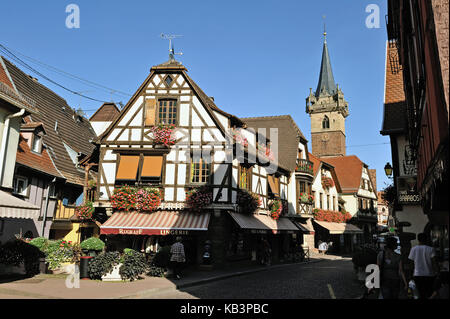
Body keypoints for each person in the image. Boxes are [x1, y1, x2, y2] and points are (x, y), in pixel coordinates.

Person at [408, 233, 439, 299]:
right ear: (426, 239)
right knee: (429, 293)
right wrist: (437, 273)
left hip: (417, 275)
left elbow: (411, 263)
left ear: (418, 239)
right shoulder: (431, 249)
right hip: (429, 275)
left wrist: (410, 275)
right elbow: (434, 263)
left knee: (419, 294)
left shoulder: (413, 249)